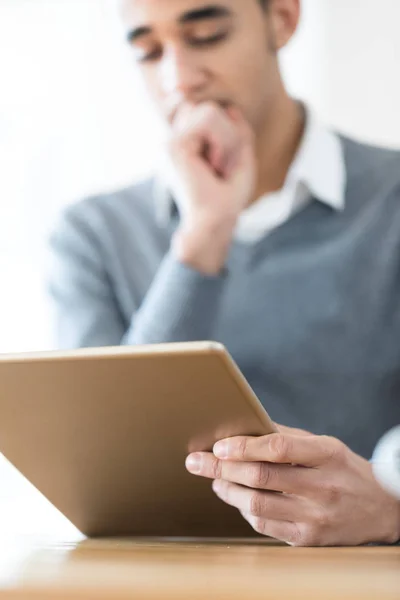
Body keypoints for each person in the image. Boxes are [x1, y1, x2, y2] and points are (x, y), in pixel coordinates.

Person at [47, 0, 400, 546]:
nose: (179, 79)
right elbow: (103, 468)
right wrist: (204, 235)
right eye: (148, 50)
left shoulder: (391, 203)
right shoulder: (93, 232)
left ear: (281, 20)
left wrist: (391, 510)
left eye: (207, 35)